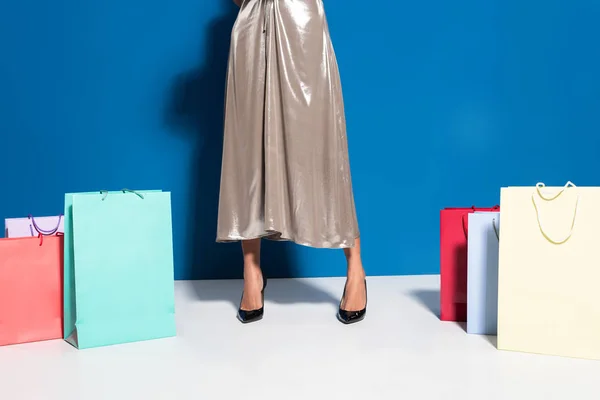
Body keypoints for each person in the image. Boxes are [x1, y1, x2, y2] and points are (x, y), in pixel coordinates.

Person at [217, 0, 366, 324]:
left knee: (321, 144)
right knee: (249, 148)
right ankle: (251, 272)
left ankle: (356, 269)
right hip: (251, 30)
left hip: (302, 25)